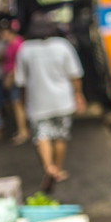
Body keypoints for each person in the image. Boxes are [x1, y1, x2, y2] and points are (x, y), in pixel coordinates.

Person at [15, 15, 86, 192]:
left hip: (37, 101)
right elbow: (75, 75)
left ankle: (49, 168)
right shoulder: (62, 46)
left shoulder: (25, 49)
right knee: (60, 136)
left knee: (42, 136)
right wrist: (78, 95)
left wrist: (23, 102)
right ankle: (58, 168)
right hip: (63, 100)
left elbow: (21, 82)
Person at [0, 19, 29, 145]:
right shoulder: (9, 44)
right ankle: (22, 130)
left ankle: (23, 131)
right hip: (11, 77)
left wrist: (10, 77)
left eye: (2, 33)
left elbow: (20, 63)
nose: (1, 35)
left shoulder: (17, 43)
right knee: (16, 104)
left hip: (16, 78)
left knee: (18, 105)